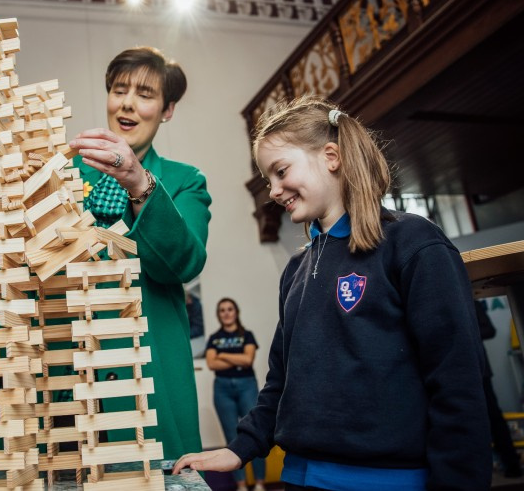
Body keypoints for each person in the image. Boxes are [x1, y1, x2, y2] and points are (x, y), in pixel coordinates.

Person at [173, 97, 491, 490]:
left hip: (389, 480)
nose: (273, 190)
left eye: (281, 170)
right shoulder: (296, 269)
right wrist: (241, 447)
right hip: (302, 476)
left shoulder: (412, 242)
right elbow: (281, 380)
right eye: (267, 179)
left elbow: (457, 381)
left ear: (331, 156)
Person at [68, 46, 212, 459]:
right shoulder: (64, 174)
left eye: (145, 94)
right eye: (119, 89)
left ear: (167, 111)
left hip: (150, 374)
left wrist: (139, 183)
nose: (128, 102)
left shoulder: (184, 182)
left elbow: (183, 263)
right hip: (73, 371)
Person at [206, 298, 266, 491]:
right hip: (222, 389)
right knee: (232, 438)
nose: (226, 313)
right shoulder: (214, 338)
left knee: (254, 433)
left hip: (246, 386)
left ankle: (259, 484)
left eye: (230, 309)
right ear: (219, 314)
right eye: (222, 310)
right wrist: (236, 359)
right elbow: (211, 364)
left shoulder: (247, 335)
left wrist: (222, 355)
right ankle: (240, 485)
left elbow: (248, 359)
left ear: (236, 312)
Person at [474, 299, 522, 478]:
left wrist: (462, 329)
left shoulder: (468, 300)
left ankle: (512, 464)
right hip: (457, 369)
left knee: (493, 417)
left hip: (479, 369)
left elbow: (489, 330)